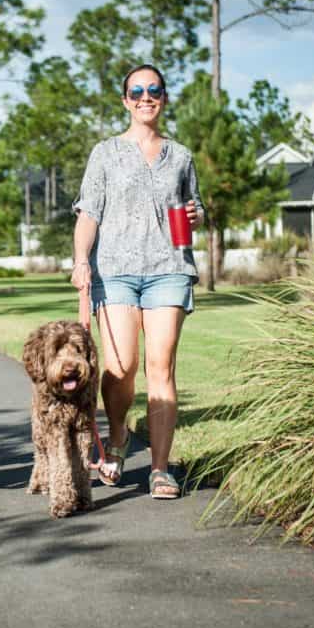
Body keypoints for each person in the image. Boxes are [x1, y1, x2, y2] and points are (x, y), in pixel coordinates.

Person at [71, 64, 205, 500]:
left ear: (164, 97)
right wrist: (80, 261)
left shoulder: (181, 155)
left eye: (154, 90)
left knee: (160, 368)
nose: (146, 97)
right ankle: (117, 436)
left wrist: (197, 215)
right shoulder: (105, 152)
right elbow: (89, 212)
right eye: (137, 91)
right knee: (121, 367)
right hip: (115, 271)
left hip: (169, 267)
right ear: (125, 100)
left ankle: (161, 470)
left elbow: (193, 207)